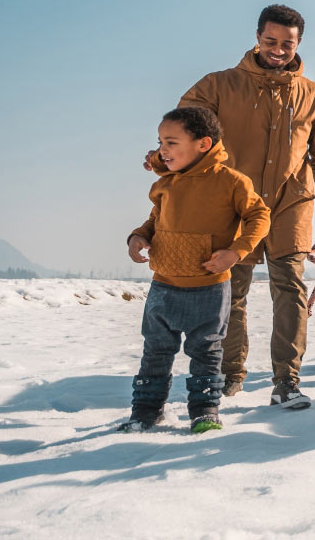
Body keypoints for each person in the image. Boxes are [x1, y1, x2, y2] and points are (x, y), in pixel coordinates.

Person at [146, 4, 315, 409]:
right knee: (230, 291)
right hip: (235, 202)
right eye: (270, 41)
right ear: (257, 38)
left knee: (289, 287)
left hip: (292, 203)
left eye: (286, 44)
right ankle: (229, 375)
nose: (277, 50)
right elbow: (182, 133)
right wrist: (159, 159)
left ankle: (287, 381)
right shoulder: (218, 86)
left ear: (298, 44)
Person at [124, 107, 269, 432]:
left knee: (206, 352)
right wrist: (139, 236)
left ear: (203, 144)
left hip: (209, 287)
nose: (162, 150)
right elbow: (155, 219)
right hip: (163, 286)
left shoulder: (231, 182)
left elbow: (259, 217)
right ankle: (145, 412)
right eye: (161, 141)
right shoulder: (167, 183)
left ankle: (205, 411)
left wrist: (235, 251)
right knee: (155, 352)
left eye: (171, 142)